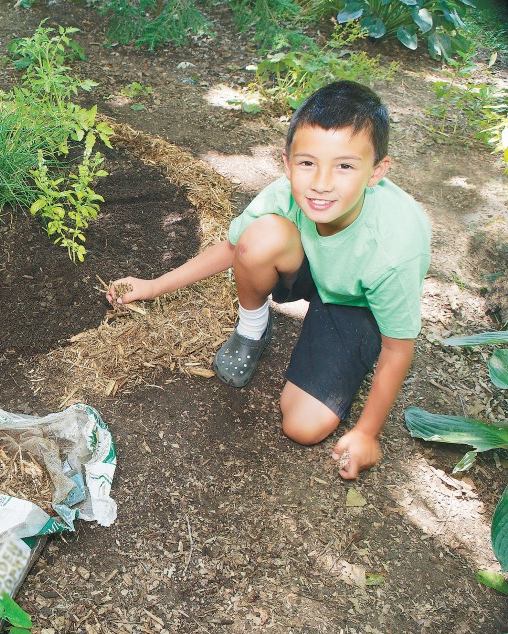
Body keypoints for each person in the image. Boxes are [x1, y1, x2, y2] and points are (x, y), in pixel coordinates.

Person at [108, 81, 430, 480]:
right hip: (313, 266)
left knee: (302, 427)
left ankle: (332, 339)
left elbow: (398, 350)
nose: (321, 183)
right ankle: (253, 328)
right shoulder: (291, 192)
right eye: (307, 162)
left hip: (356, 303)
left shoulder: (392, 253)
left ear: (376, 171)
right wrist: (154, 285)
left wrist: (367, 432)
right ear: (288, 161)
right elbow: (233, 248)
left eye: (345, 166)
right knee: (259, 237)